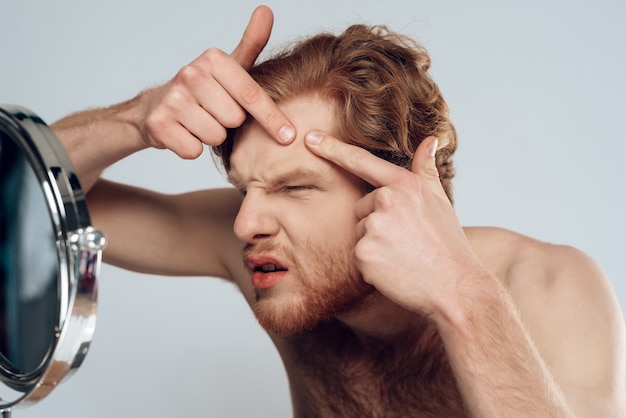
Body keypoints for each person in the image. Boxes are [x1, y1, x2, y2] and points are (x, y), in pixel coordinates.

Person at [52, 5, 626, 417]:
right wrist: (134, 119)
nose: (246, 223)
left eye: (295, 188)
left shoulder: (550, 287)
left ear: (399, 194)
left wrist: (464, 301)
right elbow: (40, 203)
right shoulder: (266, 246)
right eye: (245, 187)